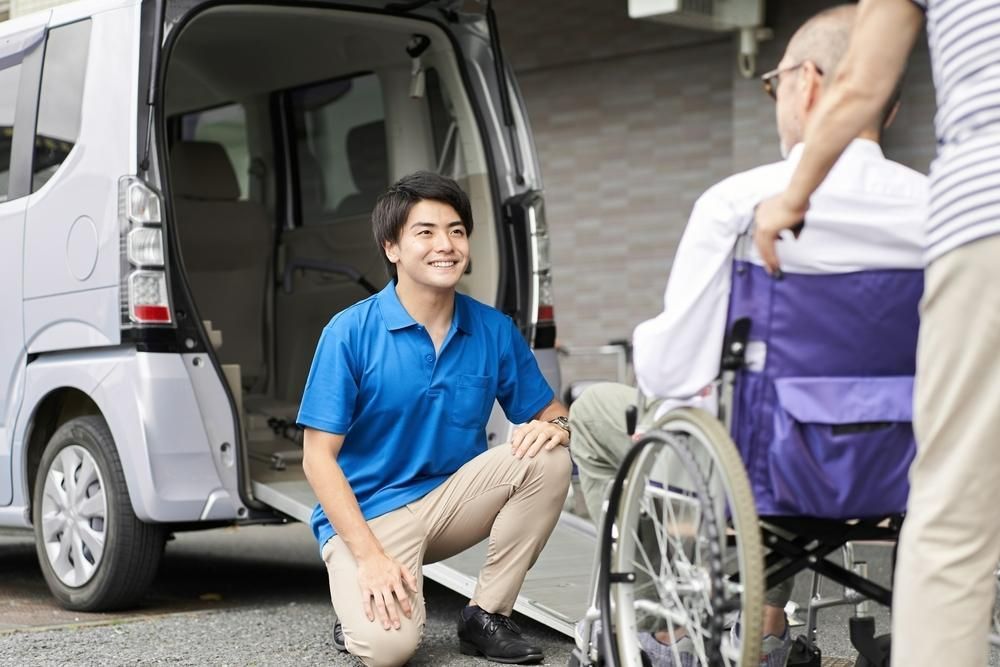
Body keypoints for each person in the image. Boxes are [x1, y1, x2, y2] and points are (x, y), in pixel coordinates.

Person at [569, 5, 926, 665]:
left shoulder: (741, 203)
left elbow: (671, 370)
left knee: (597, 412)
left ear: (808, 84)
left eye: (774, 83)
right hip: (903, 468)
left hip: (766, 470)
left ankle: (663, 625)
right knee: (757, 419)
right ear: (892, 106)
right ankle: (765, 621)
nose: (775, 99)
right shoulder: (939, 210)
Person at [753, 2, 1000, 664]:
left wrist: (794, 197)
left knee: (953, 523)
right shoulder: (915, 199)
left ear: (808, 84)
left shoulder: (737, 200)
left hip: (985, 213)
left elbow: (864, 76)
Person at [298, 171, 572, 667]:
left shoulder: (492, 328)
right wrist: (370, 558)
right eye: (425, 232)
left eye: (456, 231)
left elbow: (552, 413)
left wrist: (555, 428)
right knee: (388, 650)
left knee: (549, 457)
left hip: (450, 504)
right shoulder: (349, 332)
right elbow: (317, 459)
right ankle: (356, 603)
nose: (445, 245)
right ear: (392, 248)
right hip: (369, 517)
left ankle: (486, 615)